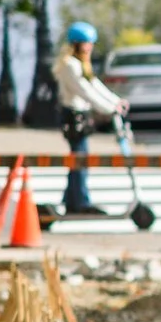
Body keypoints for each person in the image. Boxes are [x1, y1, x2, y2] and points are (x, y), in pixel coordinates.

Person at [53, 22, 126, 217]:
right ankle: (79, 201)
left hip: (81, 117)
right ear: (77, 44)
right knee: (80, 159)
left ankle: (72, 200)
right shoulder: (70, 65)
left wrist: (115, 101)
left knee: (78, 159)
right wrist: (109, 109)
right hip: (73, 117)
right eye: (88, 43)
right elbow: (84, 91)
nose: (91, 47)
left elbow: (95, 85)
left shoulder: (80, 64)